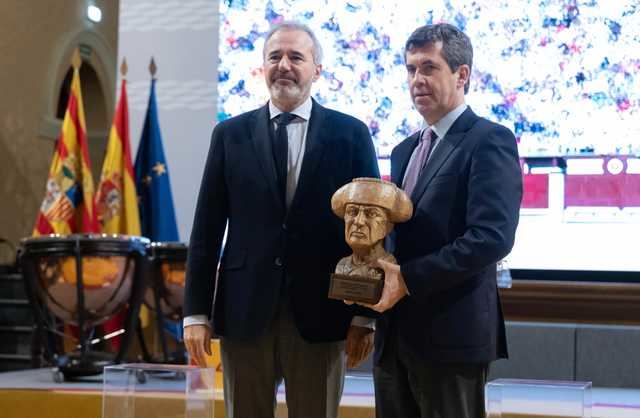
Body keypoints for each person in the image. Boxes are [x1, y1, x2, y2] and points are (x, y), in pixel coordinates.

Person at [183, 21, 380, 418]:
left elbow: (371, 234)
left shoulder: (352, 135)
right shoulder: (229, 135)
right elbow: (206, 230)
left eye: (296, 57)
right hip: (244, 313)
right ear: (263, 66)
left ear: (317, 70)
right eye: (275, 57)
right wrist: (195, 313)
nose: (284, 65)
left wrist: (365, 313)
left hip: (322, 315)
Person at [365, 23, 523, 418]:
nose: (417, 79)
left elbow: (492, 238)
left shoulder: (490, 140)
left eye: (429, 67)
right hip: (395, 338)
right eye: (410, 69)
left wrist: (409, 279)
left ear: (462, 74)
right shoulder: (404, 150)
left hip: (452, 339)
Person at [331, 177, 412, 280]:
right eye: (352, 212)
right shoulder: (342, 265)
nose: (358, 221)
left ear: (388, 226)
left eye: (372, 214)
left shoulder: (387, 268)